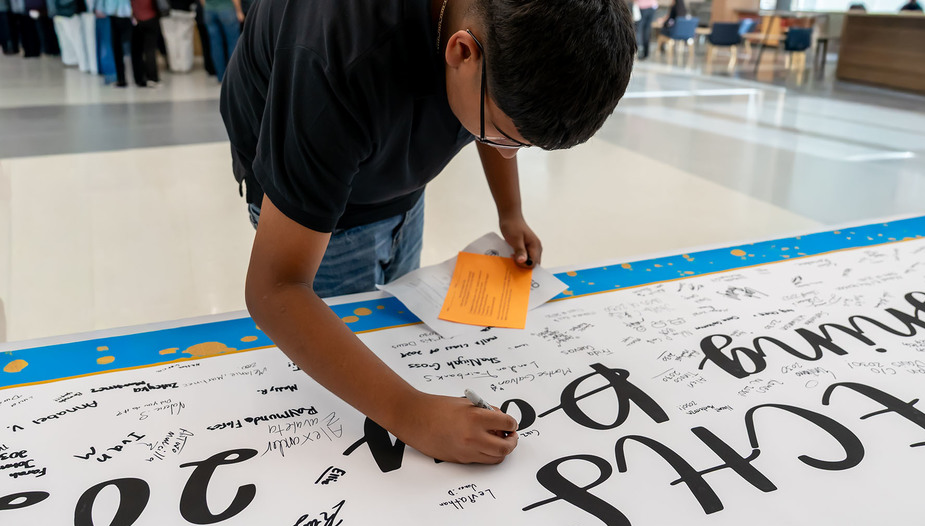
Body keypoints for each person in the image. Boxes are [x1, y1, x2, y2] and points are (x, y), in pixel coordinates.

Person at [219, 0, 635, 465]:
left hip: (384, 157)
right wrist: (409, 412)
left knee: (389, 335)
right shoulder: (338, 52)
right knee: (338, 344)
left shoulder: (494, 24)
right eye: (503, 136)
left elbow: (493, 100)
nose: (506, 152)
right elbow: (277, 287)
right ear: (461, 51)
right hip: (316, 203)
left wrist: (510, 210)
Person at [199, 0, 239, 82]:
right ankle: (233, 76)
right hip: (227, 9)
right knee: (233, 43)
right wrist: (239, 11)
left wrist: (207, 6)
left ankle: (220, 76)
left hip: (209, 10)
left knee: (215, 45)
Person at [94, 0, 131, 86]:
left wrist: (100, 8)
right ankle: (123, 78)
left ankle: (121, 78)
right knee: (122, 48)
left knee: (117, 48)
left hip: (114, 14)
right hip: (126, 14)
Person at [129, 0, 161, 86]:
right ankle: (152, 78)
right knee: (150, 50)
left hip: (137, 20)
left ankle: (139, 78)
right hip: (151, 18)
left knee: (137, 51)